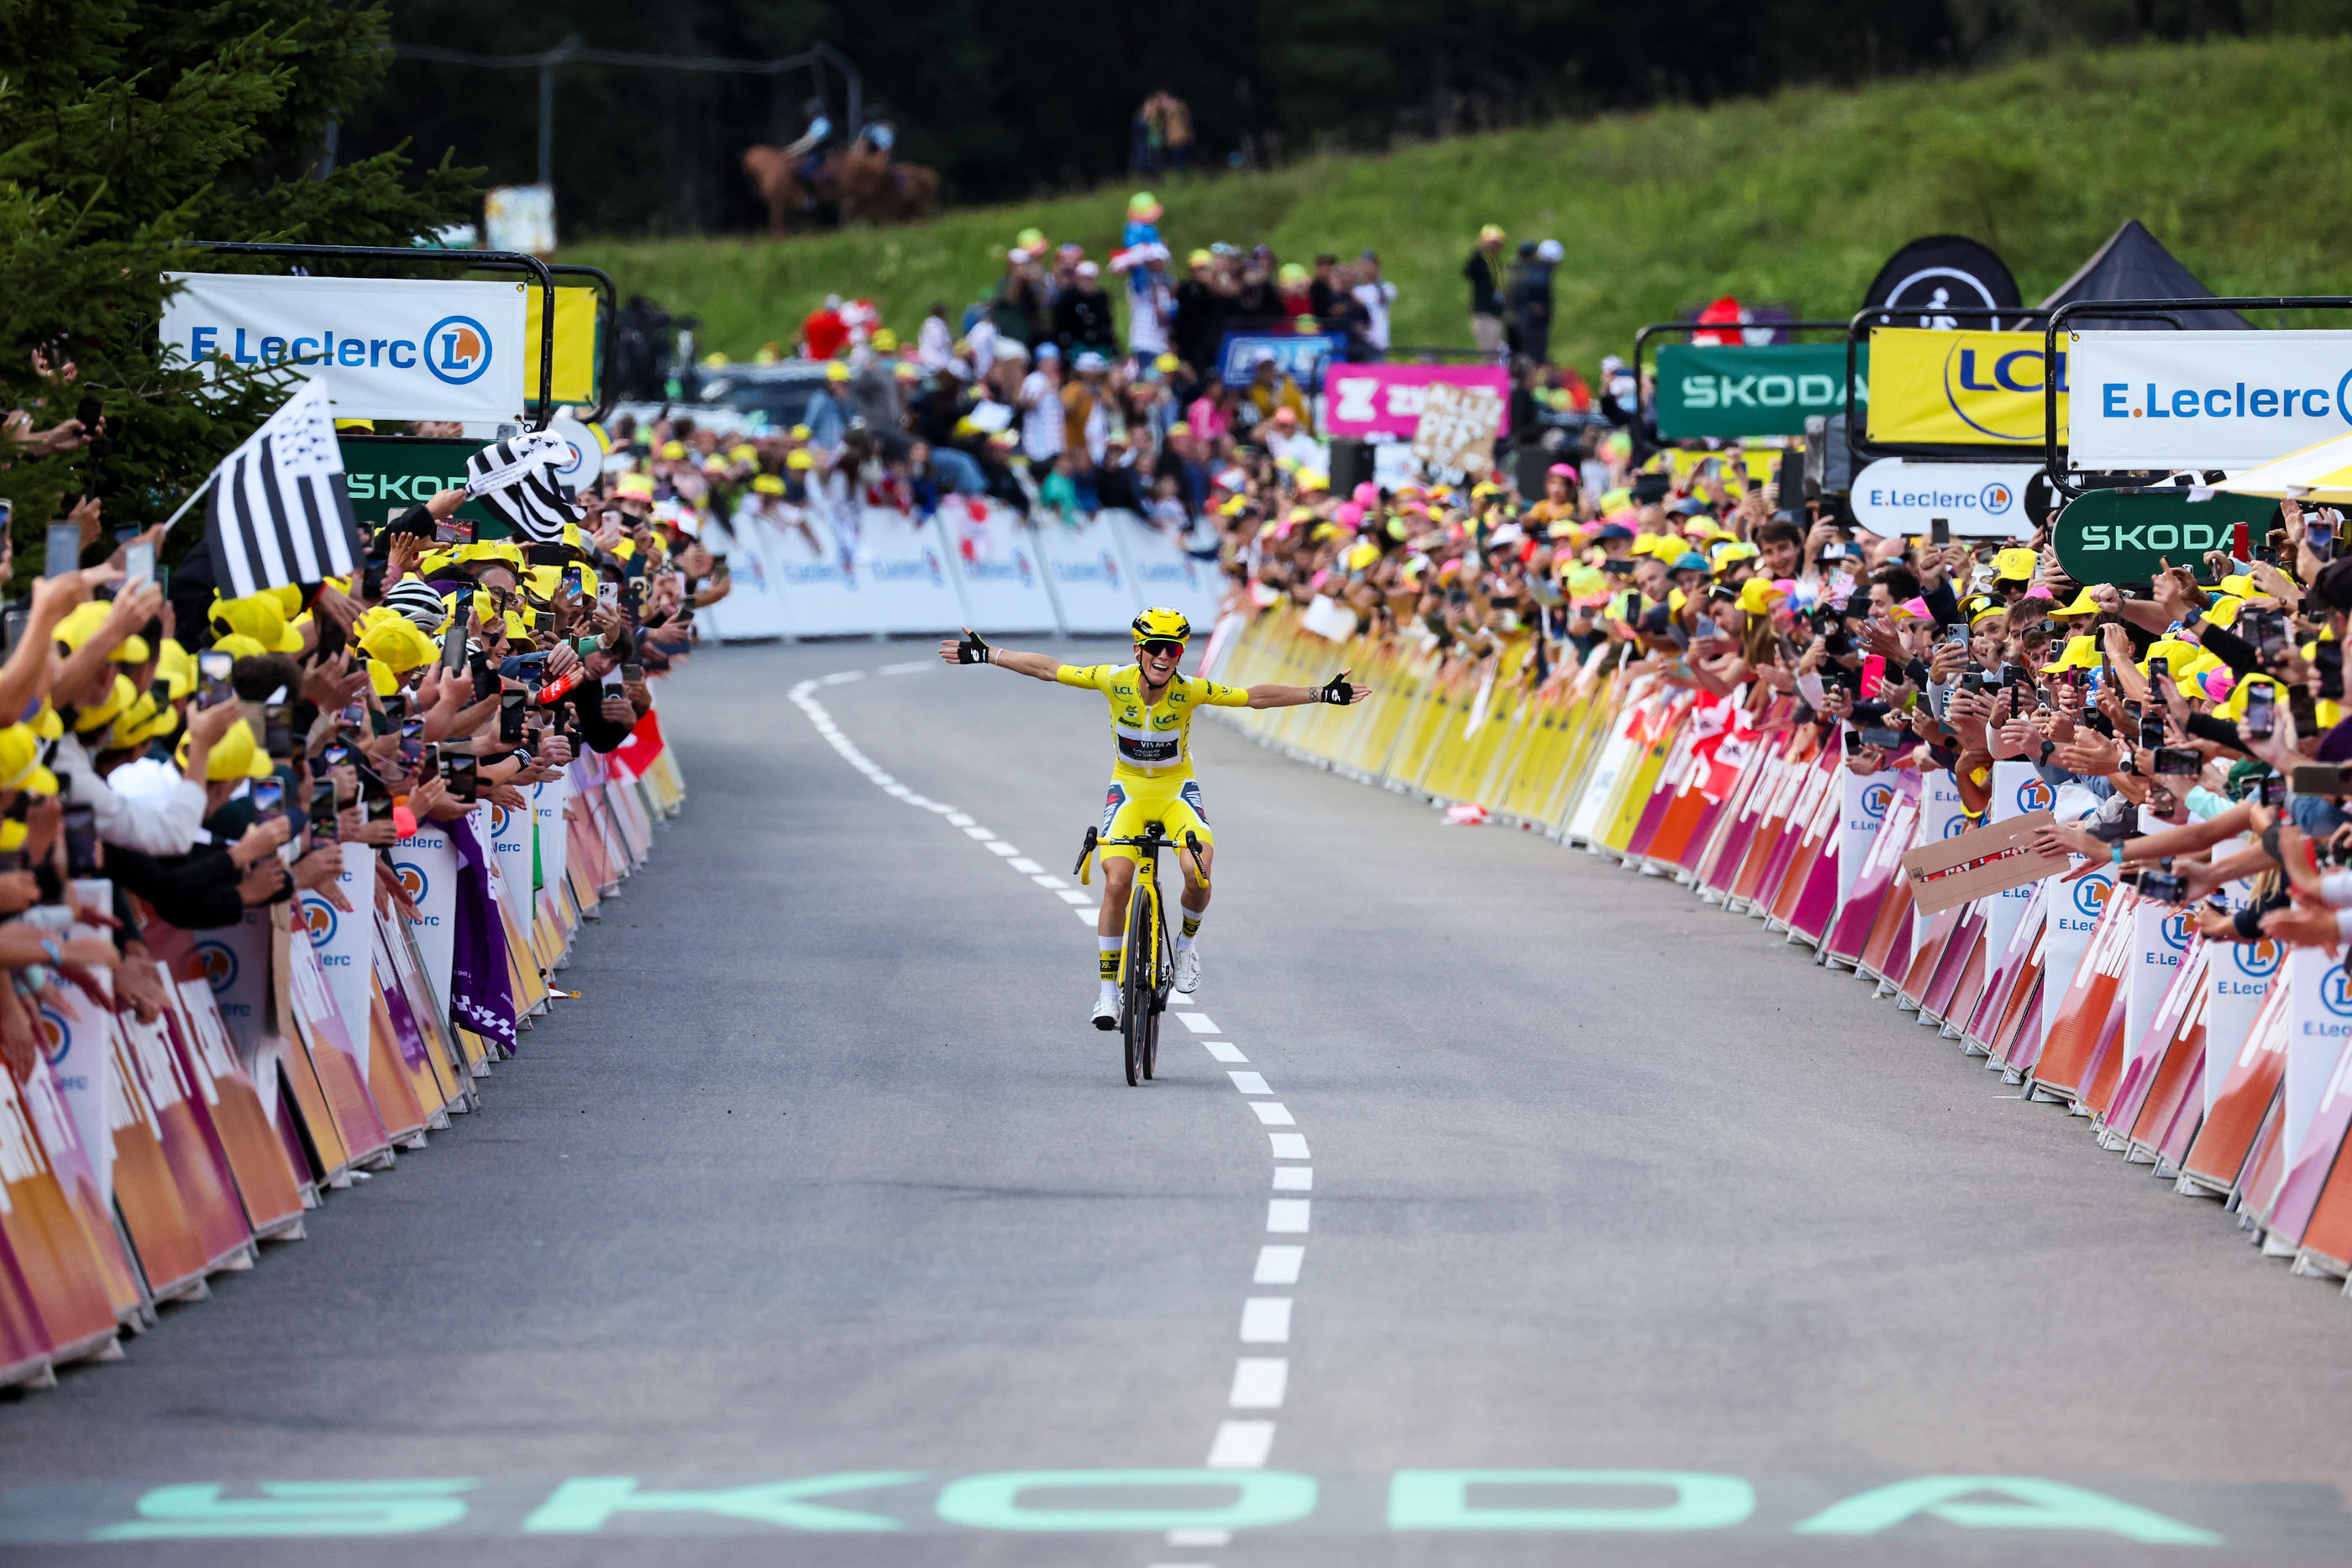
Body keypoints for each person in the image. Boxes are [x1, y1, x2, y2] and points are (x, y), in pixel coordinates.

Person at [937, 610, 1368, 1027]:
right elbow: (1051, 669)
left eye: (1175, 651)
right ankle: (1108, 994)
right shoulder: (1113, 680)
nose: (1165, 658)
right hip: (1128, 791)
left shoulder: (1191, 690)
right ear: (1139, 650)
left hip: (1176, 792)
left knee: (1198, 873)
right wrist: (988, 653)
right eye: (1157, 648)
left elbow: (1254, 698)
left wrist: (1322, 693)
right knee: (1117, 881)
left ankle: (1185, 946)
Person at [1464, 224, 1507, 354]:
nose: (1494, 247)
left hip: (1497, 314)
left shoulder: (1496, 262)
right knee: (1489, 354)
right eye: (1491, 243)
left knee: (1497, 352)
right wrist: (1479, 250)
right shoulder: (1480, 261)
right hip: (1484, 314)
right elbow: (1467, 271)